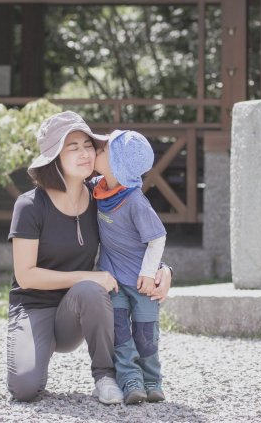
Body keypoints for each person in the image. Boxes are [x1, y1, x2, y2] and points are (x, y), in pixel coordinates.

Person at [6, 111, 172, 405]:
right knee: (25, 389)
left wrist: (162, 270)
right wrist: (89, 275)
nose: (85, 153)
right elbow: (26, 275)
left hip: (81, 308)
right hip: (34, 307)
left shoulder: (101, 198)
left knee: (91, 290)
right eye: (73, 147)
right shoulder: (29, 205)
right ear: (55, 156)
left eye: (88, 145)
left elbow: (136, 240)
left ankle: (105, 376)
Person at [93, 130, 167, 405]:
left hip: (141, 281)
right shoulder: (98, 189)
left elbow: (157, 237)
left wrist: (151, 272)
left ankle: (152, 380)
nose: (95, 150)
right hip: (113, 279)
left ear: (115, 163)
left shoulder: (134, 200)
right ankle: (131, 380)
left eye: (102, 150)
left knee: (146, 333)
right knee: (120, 333)